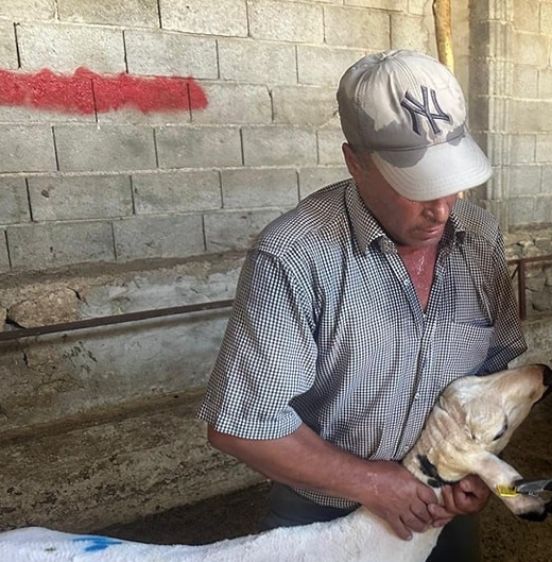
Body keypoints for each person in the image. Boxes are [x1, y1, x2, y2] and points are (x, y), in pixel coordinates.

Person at [198, 49, 526, 562]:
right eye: (416, 184)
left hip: (443, 504)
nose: (442, 208)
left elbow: (492, 372)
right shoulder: (294, 256)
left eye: (450, 179)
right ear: (356, 162)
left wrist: (473, 463)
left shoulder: (480, 236)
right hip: (326, 513)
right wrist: (373, 482)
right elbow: (241, 425)